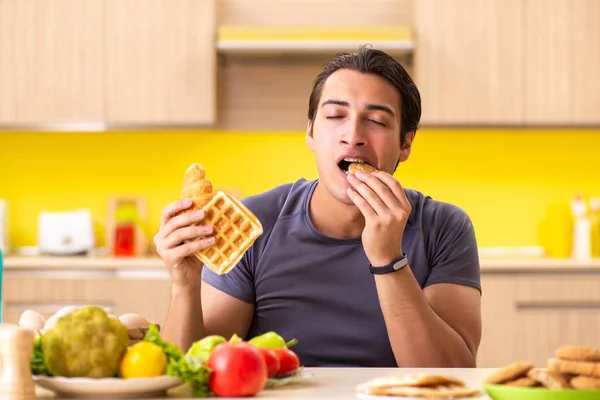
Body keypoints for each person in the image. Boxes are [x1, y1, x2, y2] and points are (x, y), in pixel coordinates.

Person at [154, 45, 482, 368]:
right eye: (335, 115)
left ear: (406, 143)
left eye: (377, 121)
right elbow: (194, 372)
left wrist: (388, 260)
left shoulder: (443, 228)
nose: (353, 135)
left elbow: (452, 373)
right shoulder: (257, 224)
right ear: (310, 131)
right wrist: (185, 285)